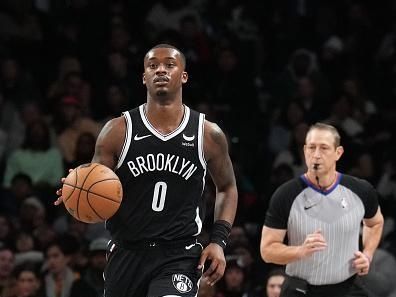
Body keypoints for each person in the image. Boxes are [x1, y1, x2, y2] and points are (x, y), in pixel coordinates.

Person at [55, 43, 238, 297]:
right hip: (127, 251)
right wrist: (77, 188)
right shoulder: (117, 131)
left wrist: (218, 241)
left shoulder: (207, 134)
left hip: (179, 254)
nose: (161, 70)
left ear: (183, 76)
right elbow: (95, 187)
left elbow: (227, 187)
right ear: (144, 77)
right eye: (153, 66)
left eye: (169, 65)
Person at [260, 123, 384, 297]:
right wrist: (299, 251)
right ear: (304, 151)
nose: (316, 155)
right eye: (312, 147)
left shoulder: (361, 190)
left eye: (324, 148)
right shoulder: (285, 195)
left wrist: (368, 254)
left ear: (338, 153)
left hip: (348, 287)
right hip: (301, 288)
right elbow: (267, 251)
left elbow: (375, 222)